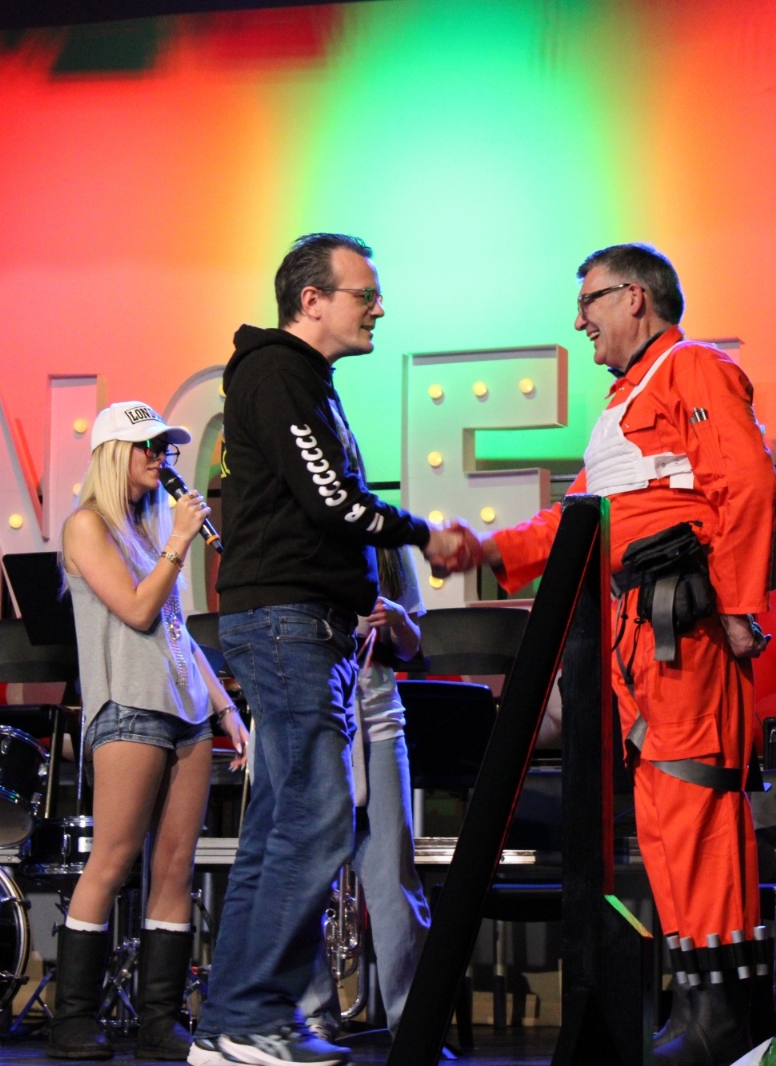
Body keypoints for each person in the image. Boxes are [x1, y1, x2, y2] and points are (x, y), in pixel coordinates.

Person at [445, 243, 776, 1064]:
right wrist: (488, 548)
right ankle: (697, 1009)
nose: (578, 320)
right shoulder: (624, 405)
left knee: (695, 800)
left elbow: (743, 479)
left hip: (684, 632)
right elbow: (579, 520)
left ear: (635, 297)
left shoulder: (692, 368)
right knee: (664, 813)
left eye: (589, 301)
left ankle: (720, 1020)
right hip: (639, 640)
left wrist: (739, 605)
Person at [189, 234, 470, 1066]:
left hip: (296, 625)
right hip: (289, 625)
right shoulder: (278, 373)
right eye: (364, 294)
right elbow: (331, 500)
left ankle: (230, 1026)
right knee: (315, 821)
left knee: (281, 827)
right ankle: (251, 1019)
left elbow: (326, 497)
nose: (379, 308)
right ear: (311, 300)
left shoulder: (301, 380)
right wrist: (422, 534)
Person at [51, 401, 250, 1061]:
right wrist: (178, 544)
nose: (161, 459)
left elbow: (175, 633)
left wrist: (224, 709)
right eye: (148, 447)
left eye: (165, 447)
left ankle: (159, 1022)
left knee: (174, 867)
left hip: (187, 713)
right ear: (115, 454)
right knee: (112, 860)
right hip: (130, 708)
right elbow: (137, 612)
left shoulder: (149, 531)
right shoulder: (87, 525)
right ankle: (74, 1020)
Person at [298, 546, 431, 1041]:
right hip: (311, 723)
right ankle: (314, 1015)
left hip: (377, 724)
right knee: (303, 877)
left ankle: (410, 1020)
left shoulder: (391, 546)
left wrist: (397, 619)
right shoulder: (302, 536)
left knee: (393, 877)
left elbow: (411, 646)